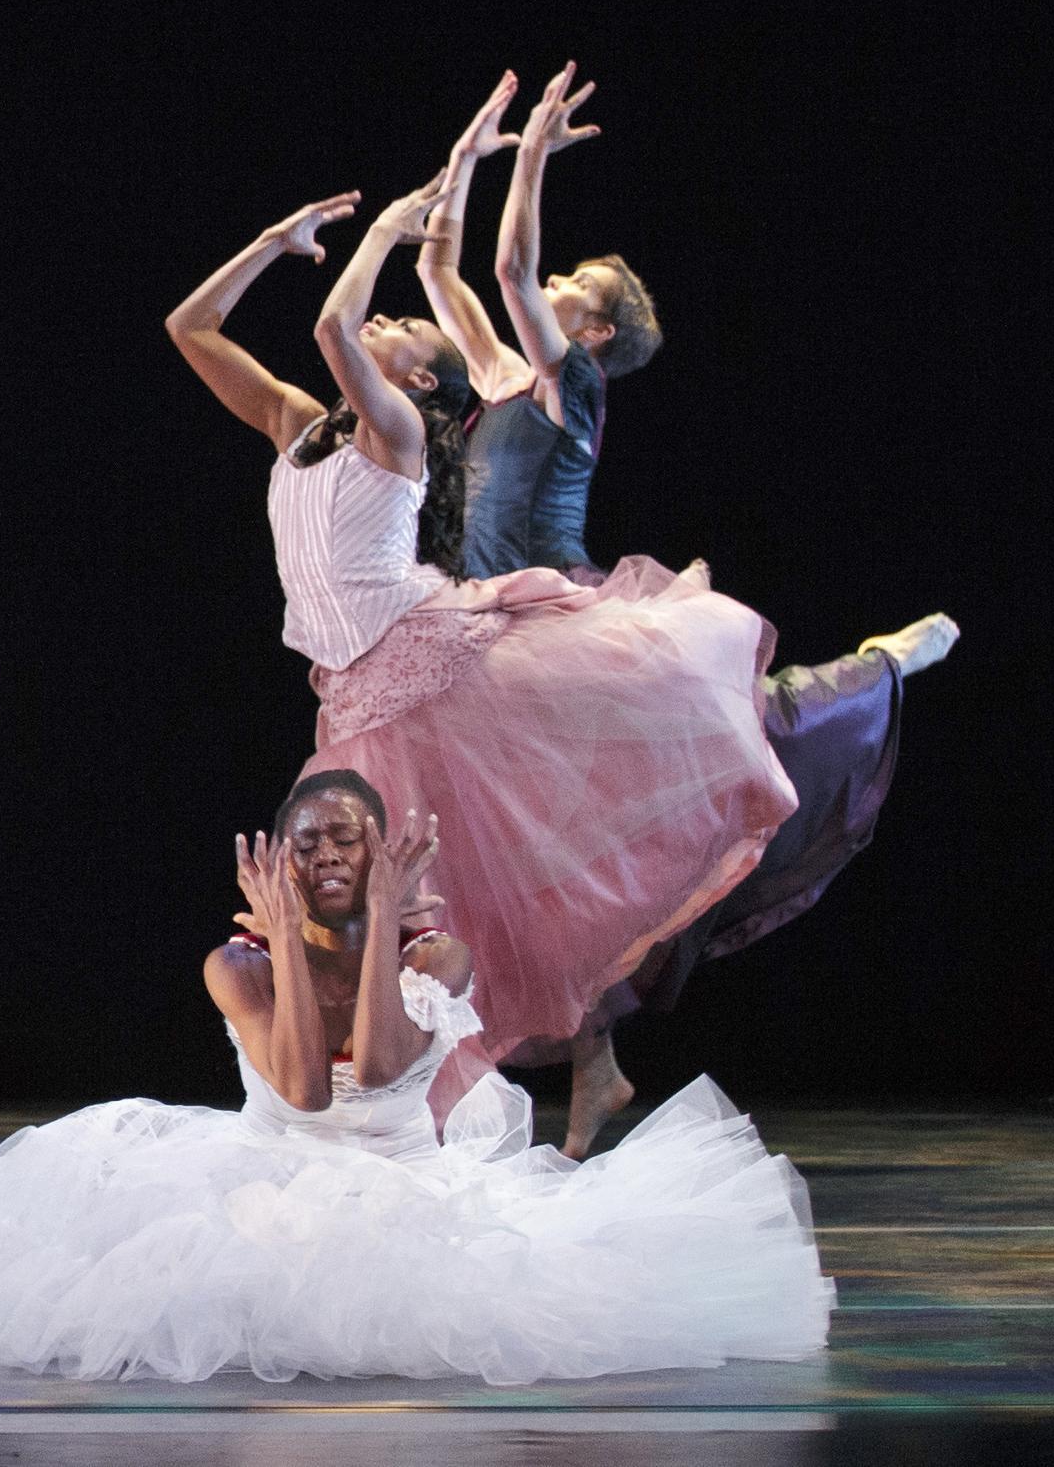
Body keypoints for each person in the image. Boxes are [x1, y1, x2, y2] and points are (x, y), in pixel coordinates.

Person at [164, 175, 800, 1140]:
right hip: (358, 701)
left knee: (420, 905)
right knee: (350, 903)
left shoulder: (400, 433)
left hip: (441, 681)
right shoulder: (299, 427)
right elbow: (191, 329)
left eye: (407, 331)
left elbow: (336, 334)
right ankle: (367, 1109)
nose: (385, 320)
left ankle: (427, 1117)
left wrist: (380, 230)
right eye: (398, 317)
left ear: (420, 382)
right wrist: (267, 241)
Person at [0, 771, 833, 1385]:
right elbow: (307, 1090)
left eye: (345, 838)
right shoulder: (239, 962)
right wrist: (281, 935)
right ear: (277, 857)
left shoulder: (439, 956)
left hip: (411, 1179)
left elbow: (391, 1062)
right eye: (305, 840)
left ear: (384, 853)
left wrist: (381, 929)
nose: (322, 854)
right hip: (268, 1168)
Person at [413, 67, 961, 1148]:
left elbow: (511, 263)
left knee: (736, 738)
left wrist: (532, 156)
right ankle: (598, 1061)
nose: (554, 280)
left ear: (599, 328)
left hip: (562, 620)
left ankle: (881, 666)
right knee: (553, 856)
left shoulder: (576, 382)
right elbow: (444, 260)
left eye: (579, 281)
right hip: (486, 635)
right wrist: (473, 153)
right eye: (566, 274)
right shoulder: (493, 377)